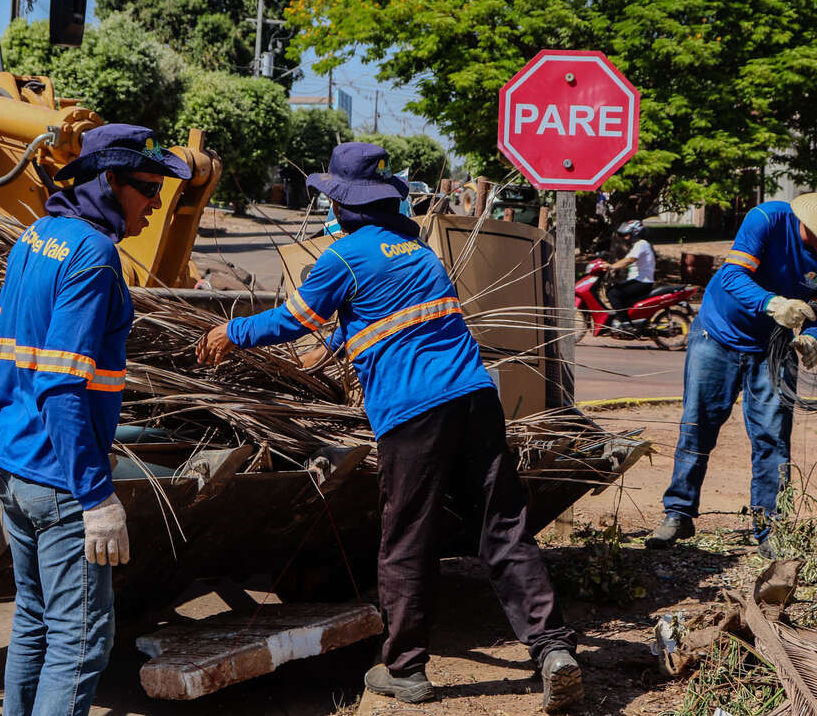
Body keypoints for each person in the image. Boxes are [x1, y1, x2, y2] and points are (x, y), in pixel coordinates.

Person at [195, 142, 582, 713]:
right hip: (475, 399)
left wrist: (232, 335)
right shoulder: (417, 252)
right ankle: (552, 649)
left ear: (344, 205)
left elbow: (289, 320)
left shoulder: (343, 257)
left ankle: (404, 669)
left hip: (413, 410)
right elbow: (382, 315)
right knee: (502, 527)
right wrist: (335, 344)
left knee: (407, 537)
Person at [0, 124, 191, 716]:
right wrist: (96, 497)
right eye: (148, 187)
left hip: (11, 464)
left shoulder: (35, 237)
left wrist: (7, 434)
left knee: (34, 621)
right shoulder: (96, 258)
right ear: (109, 181)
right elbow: (63, 384)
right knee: (79, 641)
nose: (155, 202)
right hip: (59, 480)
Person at [646, 186, 817, 558]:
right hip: (718, 334)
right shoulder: (768, 220)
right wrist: (772, 303)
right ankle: (678, 513)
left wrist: (810, 339)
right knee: (698, 424)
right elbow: (731, 277)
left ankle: (770, 526)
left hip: (775, 348)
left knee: (773, 438)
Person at [605, 219, 655, 326]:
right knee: (619, 293)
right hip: (639, 281)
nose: (625, 238)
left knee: (613, 293)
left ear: (635, 233)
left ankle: (625, 323)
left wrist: (612, 266)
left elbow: (629, 260)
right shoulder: (638, 245)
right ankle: (631, 321)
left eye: (627, 235)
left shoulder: (641, 244)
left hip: (642, 282)